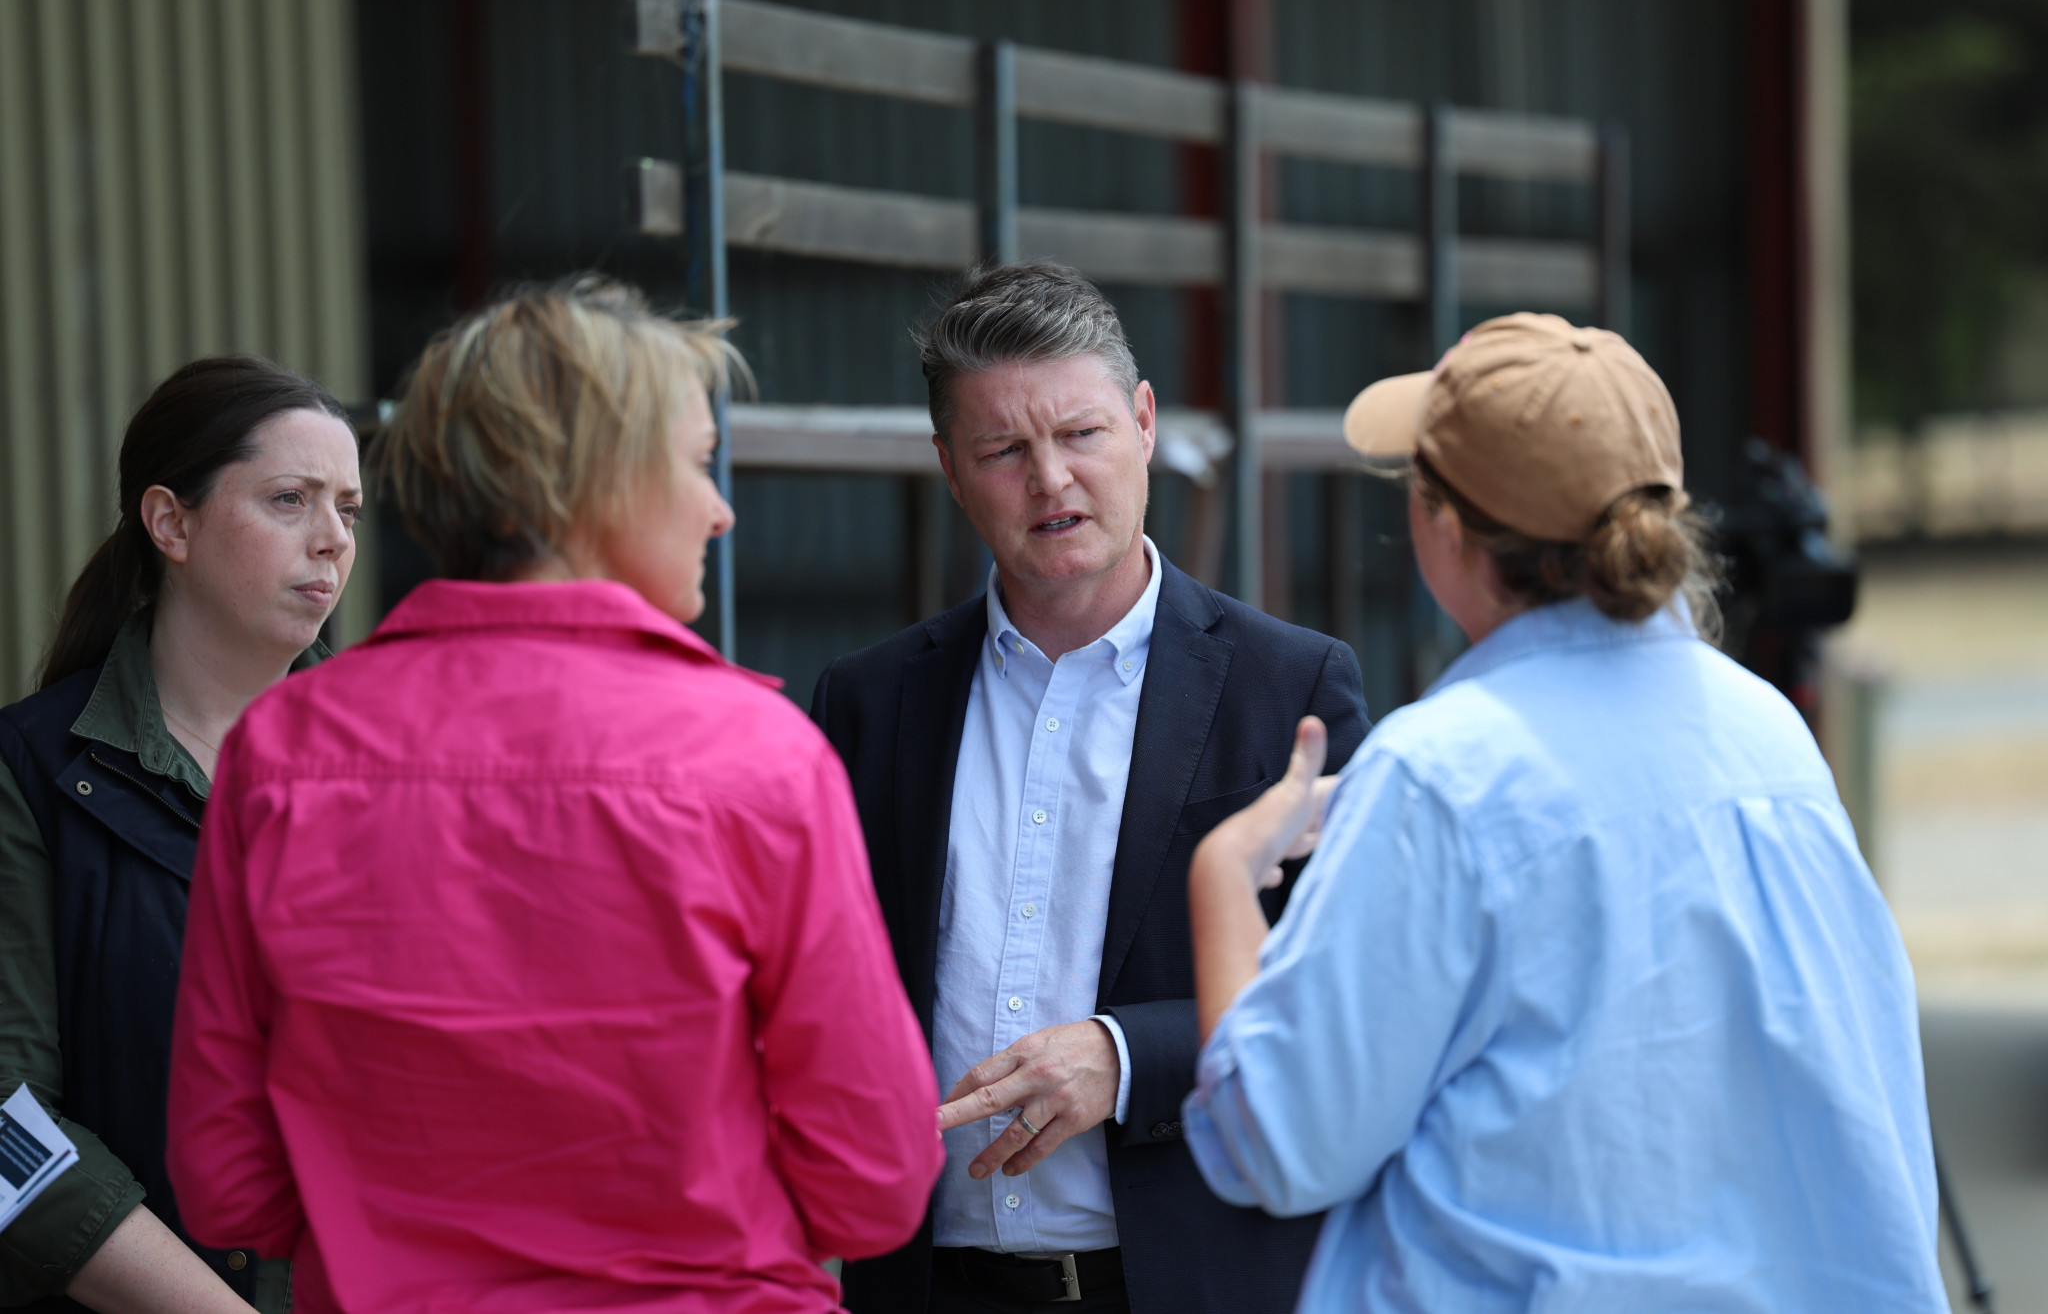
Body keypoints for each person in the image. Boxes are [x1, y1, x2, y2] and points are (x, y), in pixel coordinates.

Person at [164, 277, 942, 1314]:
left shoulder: (280, 751)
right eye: (698, 462)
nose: (720, 510)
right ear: (597, 480)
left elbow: (228, 1182)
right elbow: (875, 1180)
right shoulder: (758, 759)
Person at [1183, 313, 1948, 1311]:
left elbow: (1280, 1144)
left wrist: (1223, 873)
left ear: (1444, 526)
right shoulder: (1766, 731)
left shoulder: (1438, 770)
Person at [810, 262, 1371, 1314]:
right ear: (949, 468)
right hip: (928, 1288)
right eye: (1002, 450)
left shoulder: (1288, 686)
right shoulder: (869, 702)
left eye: (1081, 434)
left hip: (1191, 1285)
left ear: (1144, 423)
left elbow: (1351, 990)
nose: (1051, 479)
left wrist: (1127, 1056)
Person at [0, 356, 361, 1313]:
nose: (332, 538)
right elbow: (5, 1121)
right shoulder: (27, 773)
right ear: (171, 523)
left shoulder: (404, 771)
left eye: (349, 509)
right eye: (291, 499)